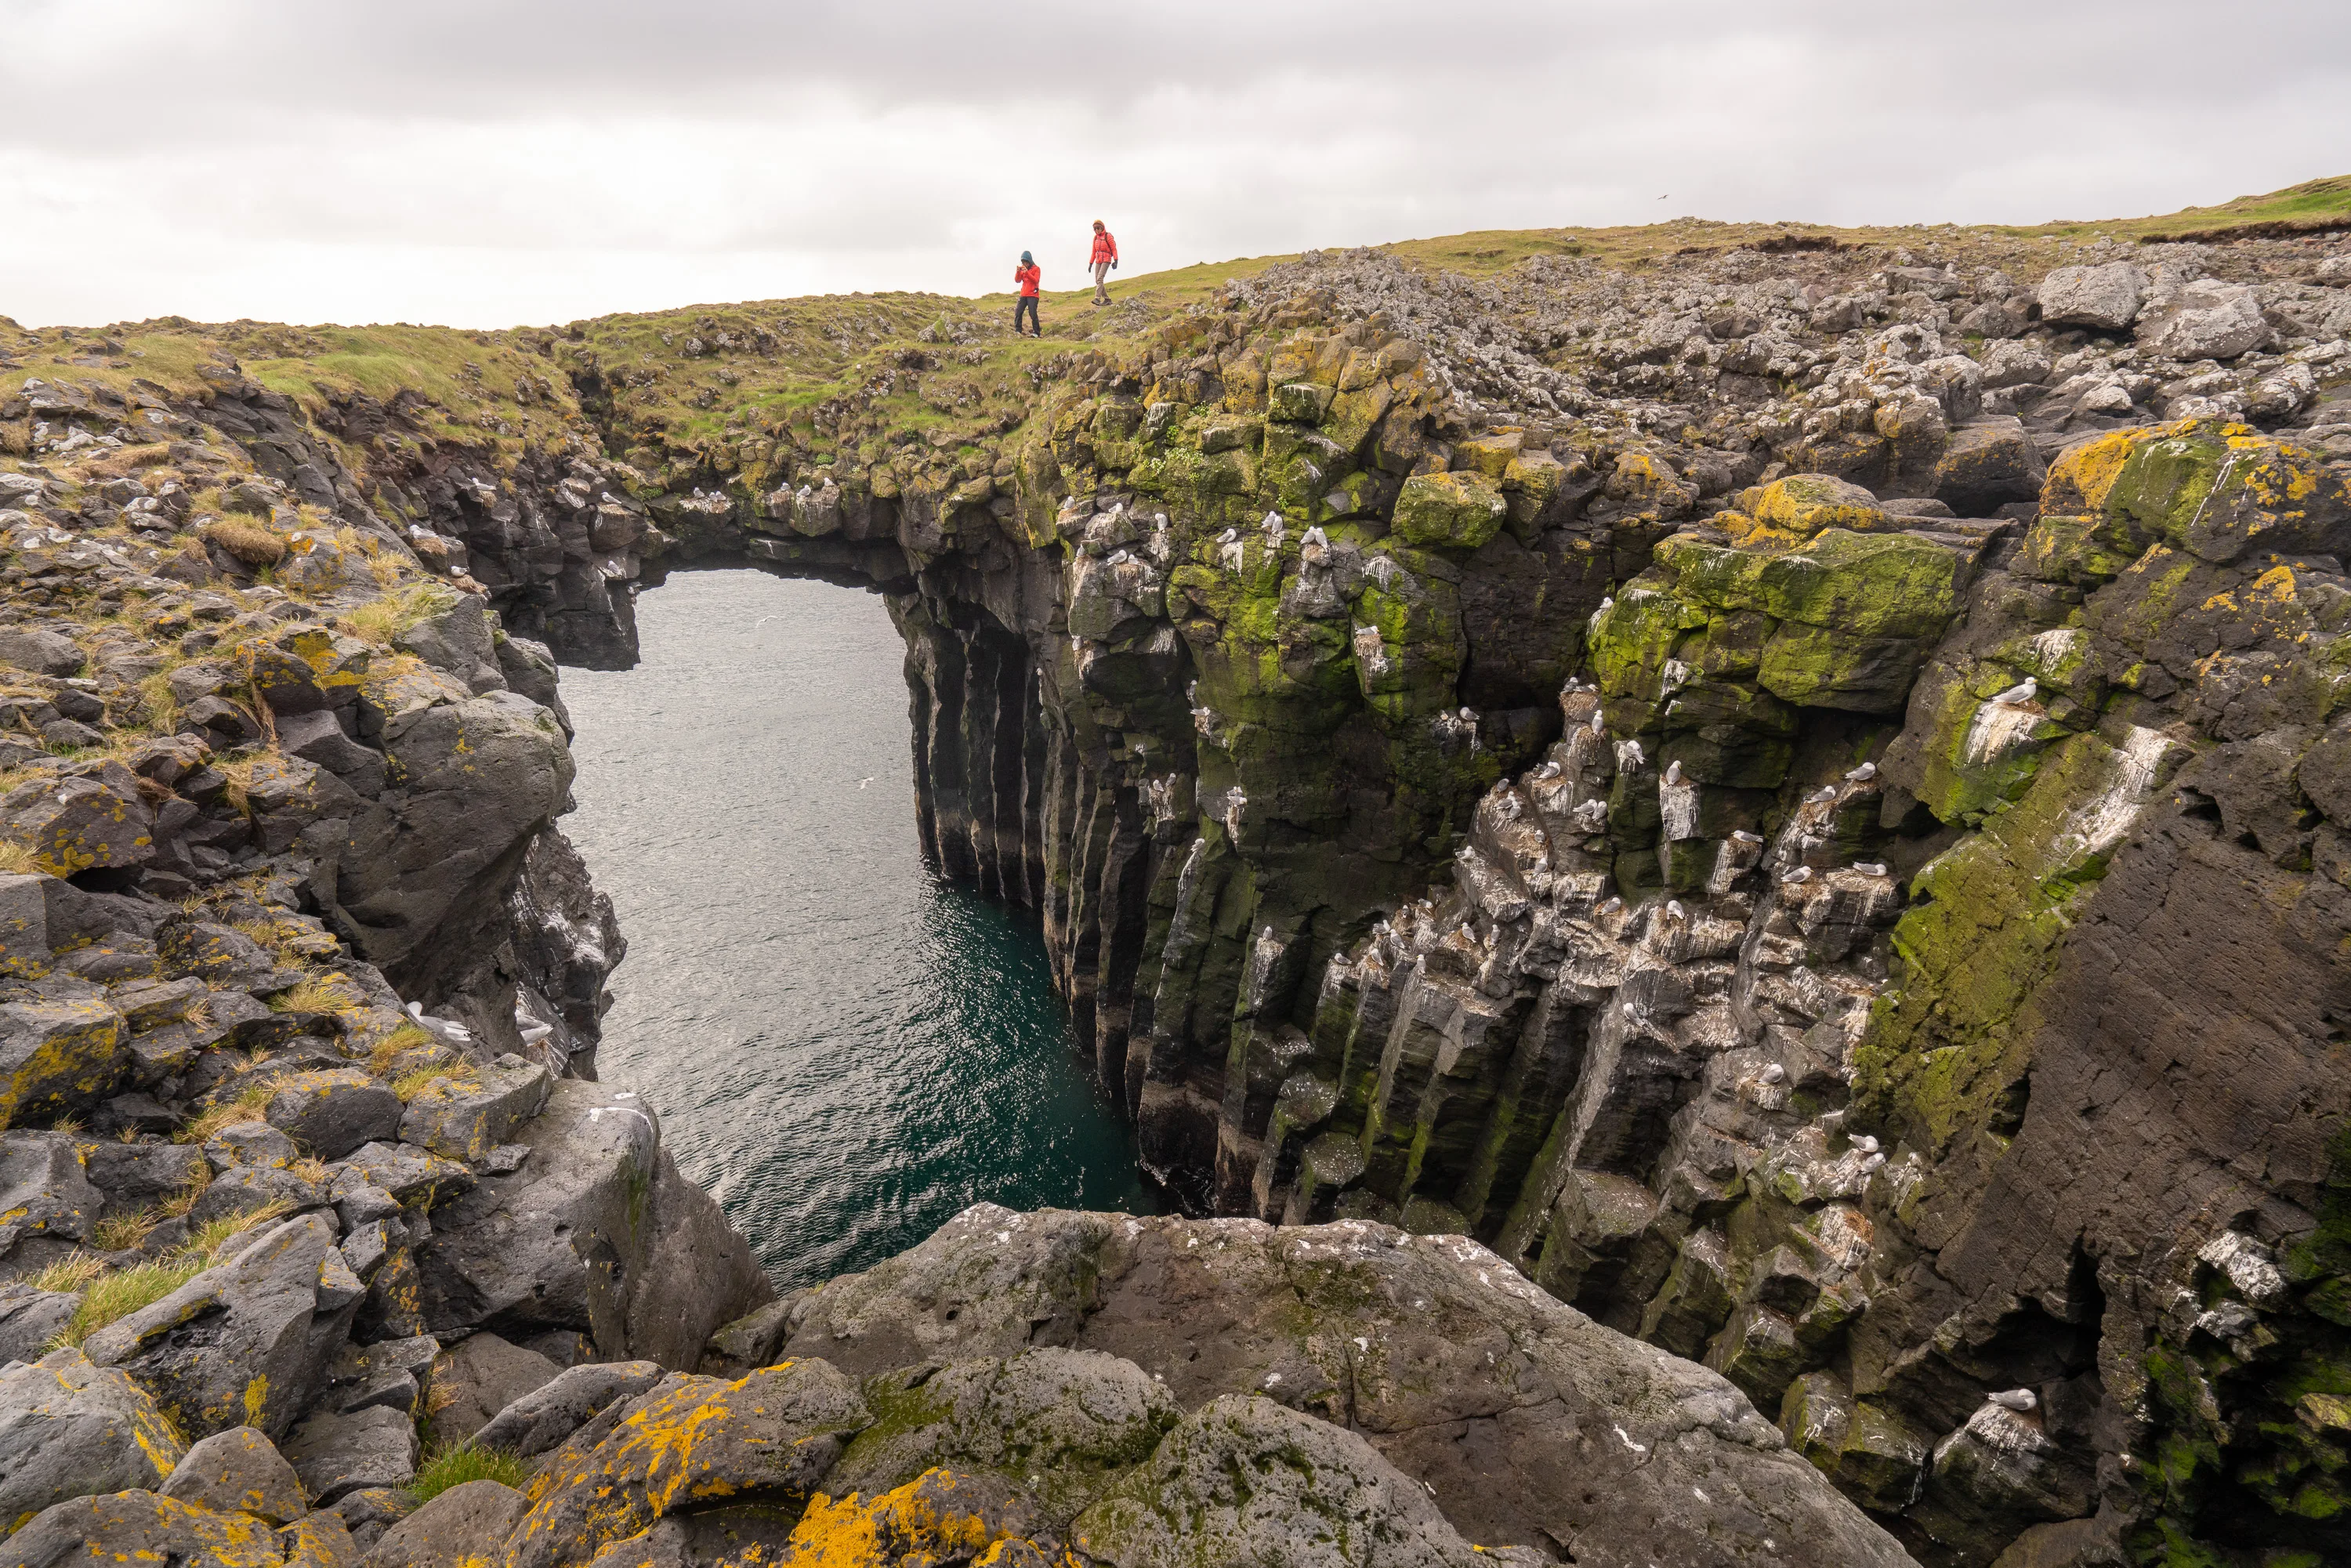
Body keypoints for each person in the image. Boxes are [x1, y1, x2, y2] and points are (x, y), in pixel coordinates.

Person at [1089, 220, 1118, 306]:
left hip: (1106, 259)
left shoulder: (1108, 236)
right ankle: (1107, 299)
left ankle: (1097, 298)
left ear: (1102, 228)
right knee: (1097, 281)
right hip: (1098, 260)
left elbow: (1113, 249)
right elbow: (1094, 252)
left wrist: (1116, 261)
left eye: (1098, 228)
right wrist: (1090, 263)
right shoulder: (1095, 238)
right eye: (1095, 229)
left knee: (1100, 278)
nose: (1097, 230)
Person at [1013, 251, 1041, 337]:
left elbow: (1036, 280)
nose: (1024, 264)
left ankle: (1036, 332)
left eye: (1026, 262)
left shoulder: (1037, 269)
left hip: (1033, 295)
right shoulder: (1022, 270)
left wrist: (1027, 273)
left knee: (1032, 313)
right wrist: (1018, 272)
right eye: (1023, 262)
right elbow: (1017, 280)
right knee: (1018, 311)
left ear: (1030, 261)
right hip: (1023, 294)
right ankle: (1018, 330)